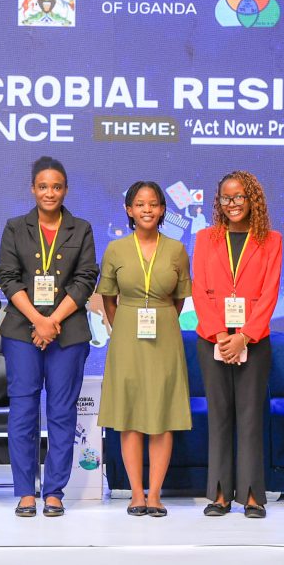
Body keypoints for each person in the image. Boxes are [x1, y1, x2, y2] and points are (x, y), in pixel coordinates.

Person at [0, 156, 99, 518]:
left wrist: (51, 320)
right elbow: (7, 277)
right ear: (33, 189)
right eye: (43, 186)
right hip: (22, 332)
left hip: (67, 333)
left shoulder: (81, 229)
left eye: (56, 186)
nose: (49, 193)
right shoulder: (15, 227)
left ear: (65, 190)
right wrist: (37, 320)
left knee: (61, 412)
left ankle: (54, 491)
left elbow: (86, 279)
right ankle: (25, 491)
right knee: (23, 410)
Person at [97, 181, 192, 518]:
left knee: (162, 416)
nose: (147, 210)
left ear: (163, 209)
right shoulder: (116, 249)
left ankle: (155, 495)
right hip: (126, 334)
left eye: (153, 204)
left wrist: (162, 318)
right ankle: (136, 494)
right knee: (130, 414)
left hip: (165, 332)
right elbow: (108, 297)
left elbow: (180, 298)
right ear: (129, 210)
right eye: (140, 204)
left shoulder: (177, 249)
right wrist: (123, 322)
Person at [191, 171, 282, 519]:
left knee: (249, 418)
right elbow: (199, 291)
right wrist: (220, 335)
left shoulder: (271, 240)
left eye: (239, 197)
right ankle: (219, 493)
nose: (232, 205)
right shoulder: (205, 238)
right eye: (226, 198)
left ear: (252, 200)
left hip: (254, 341)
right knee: (219, 417)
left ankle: (252, 496)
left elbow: (270, 293)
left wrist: (244, 335)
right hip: (212, 339)